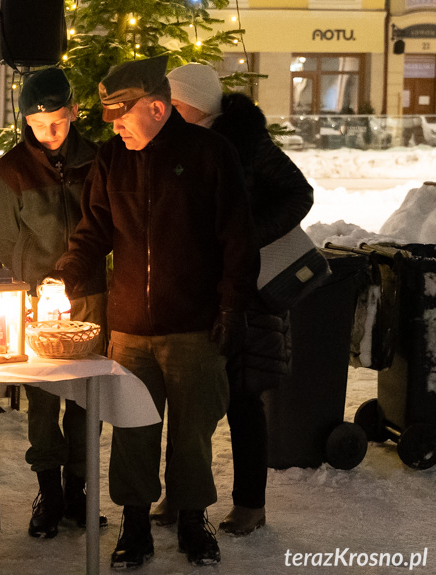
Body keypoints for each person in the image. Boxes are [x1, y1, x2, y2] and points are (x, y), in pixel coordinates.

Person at [51, 55, 260, 568]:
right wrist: (66, 275)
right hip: (129, 329)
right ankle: (135, 525)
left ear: (158, 108)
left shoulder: (211, 154)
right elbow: (93, 230)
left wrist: (232, 308)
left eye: (123, 114)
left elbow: (238, 239)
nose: (115, 126)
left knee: (192, 434)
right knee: (132, 433)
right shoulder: (112, 159)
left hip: (194, 326)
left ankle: (193, 521)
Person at [148, 63, 314, 536]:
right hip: (196, 288)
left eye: (174, 102)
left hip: (249, 292)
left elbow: (299, 194)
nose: (166, 110)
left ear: (195, 102)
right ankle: (179, 497)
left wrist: (247, 237)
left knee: (243, 398)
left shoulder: (245, 140)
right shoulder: (173, 142)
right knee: (187, 395)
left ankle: (250, 505)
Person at [0, 67, 109, 539]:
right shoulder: (9, 172)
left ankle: (78, 490)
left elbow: (102, 226)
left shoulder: (97, 162)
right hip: (35, 302)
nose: (48, 132)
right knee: (42, 399)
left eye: (56, 121)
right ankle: (49, 492)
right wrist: (34, 287)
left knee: (86, 397)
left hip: (90, 296)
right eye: (37, 125)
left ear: (74, 112)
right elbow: (2, 239)